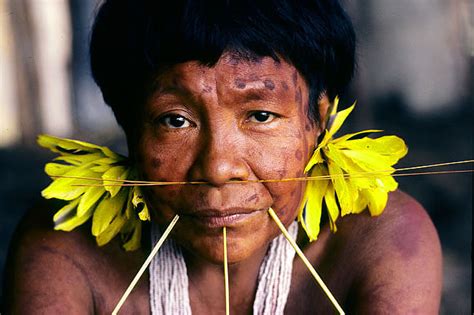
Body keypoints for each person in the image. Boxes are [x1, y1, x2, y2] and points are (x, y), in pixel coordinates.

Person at [4, 0, 442, 314]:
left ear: (319, 121)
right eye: (175, 121)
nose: (217, 169)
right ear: (128, 124)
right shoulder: (65, 247)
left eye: (261, 115)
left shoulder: (380, 242)